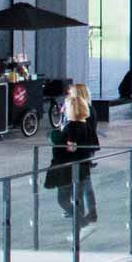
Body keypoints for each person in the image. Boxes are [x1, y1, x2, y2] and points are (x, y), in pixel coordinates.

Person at [47, 94, 99, 226]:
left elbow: (68, 146)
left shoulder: (72, 127)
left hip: (68, 169)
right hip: (79, 167)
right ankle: (81, 226)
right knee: (77, 197)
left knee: (64, 199)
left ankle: (81, 225)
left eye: (66, 106)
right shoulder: (85, 124)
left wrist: (54, 135)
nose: (63, 108)